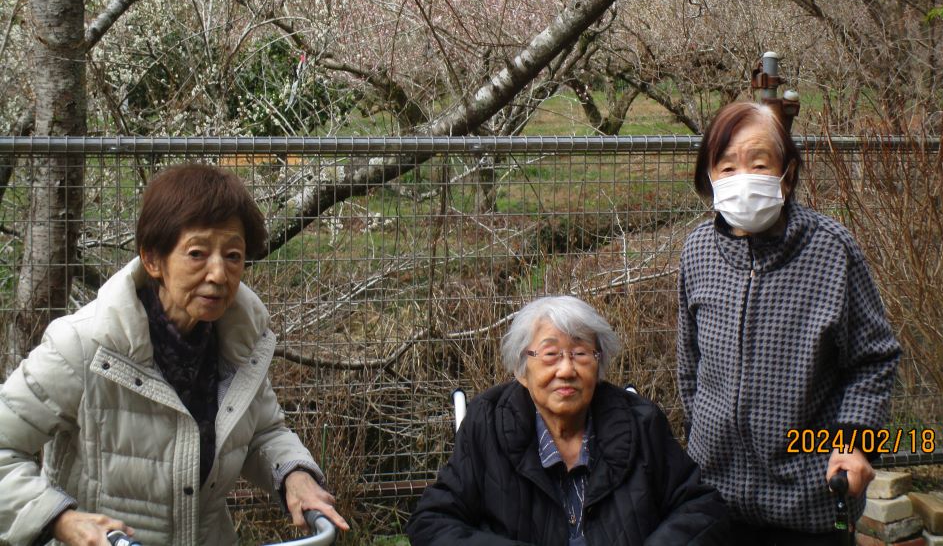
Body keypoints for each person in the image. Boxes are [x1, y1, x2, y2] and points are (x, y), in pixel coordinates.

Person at [0, 164, 349, 546]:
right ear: (153, 260)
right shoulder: (83, 346)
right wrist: (62, 520)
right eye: (197, 253)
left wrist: (294, 475)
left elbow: (264, 433)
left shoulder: (241, 344)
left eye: (233, 255)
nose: (218, 274)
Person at [677, 101, 902, 545]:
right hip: (714, 496)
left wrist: (854, 442)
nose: (742, 179)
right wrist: (698, 443)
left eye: (759, 164)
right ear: (709, 178)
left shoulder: (831, 249)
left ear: (788, 173)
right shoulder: (698, 250)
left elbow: (875, 359)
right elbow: (690, 364)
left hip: (811, 497)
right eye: (726, 167)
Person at [407, 295, 731, 546]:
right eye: (550, 354)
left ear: (598, 363)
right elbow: (433, 521)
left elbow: (701, 507)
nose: (566, 370)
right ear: (522, 367)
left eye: (580, 354)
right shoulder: (486, 423)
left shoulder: (641, 421)